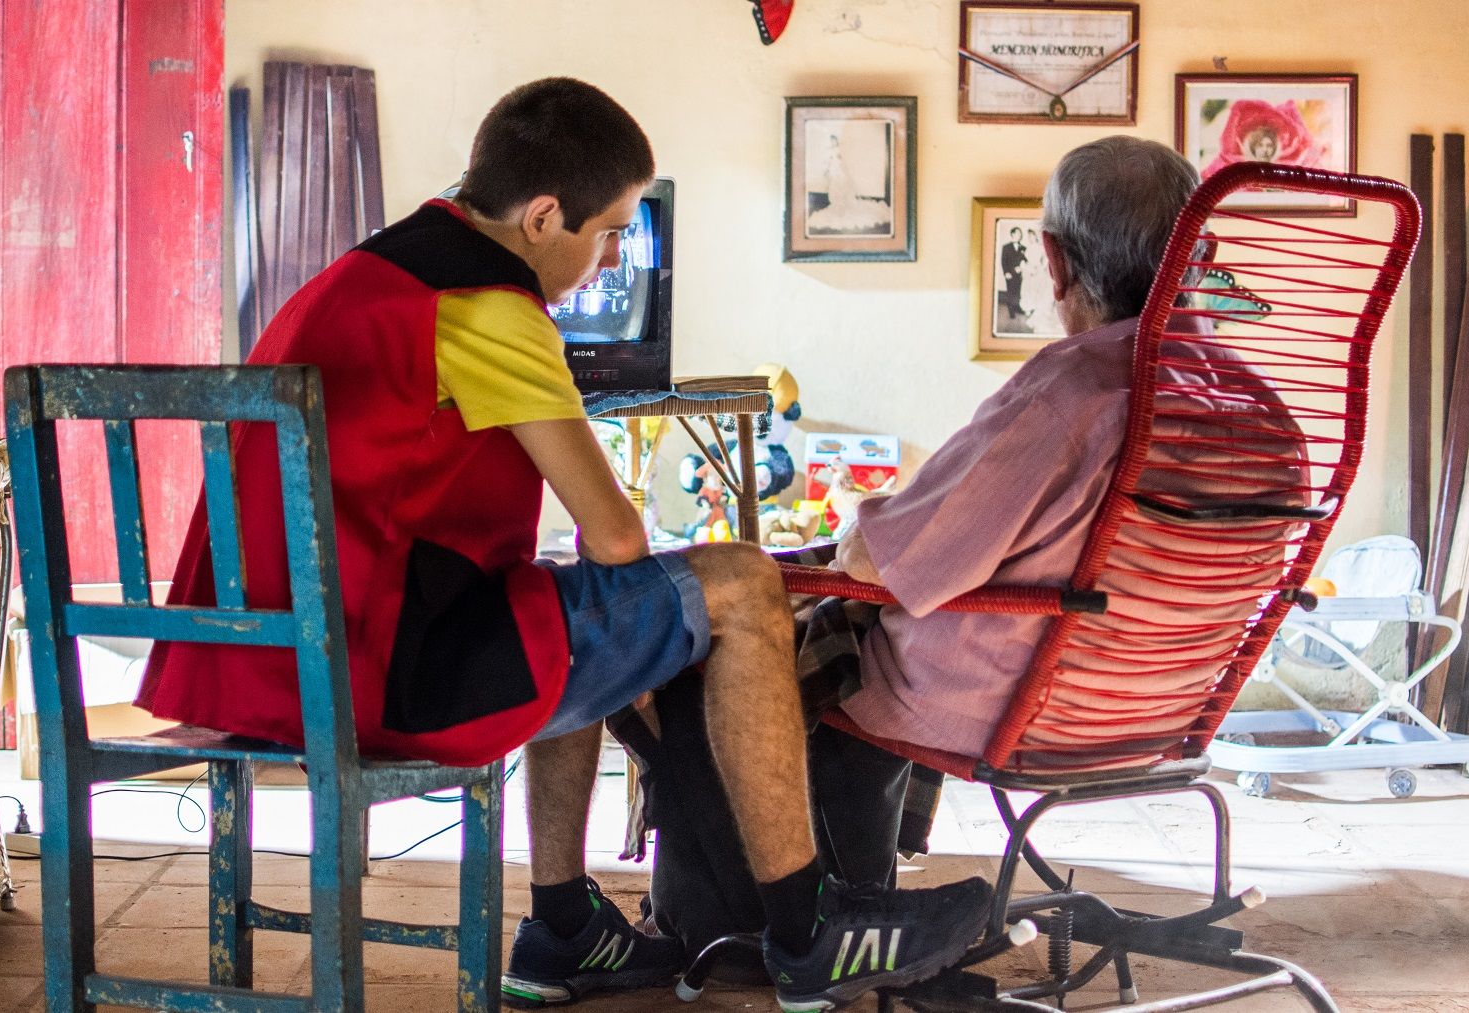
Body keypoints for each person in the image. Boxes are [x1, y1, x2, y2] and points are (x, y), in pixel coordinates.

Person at [135, 77, 992, 1010]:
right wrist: (666, 613)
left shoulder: (362, 274)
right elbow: (617, 535)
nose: (614, 255)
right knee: (743, 580)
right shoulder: (489, 306)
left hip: (263, 663)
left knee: (551, 589)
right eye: (611, 231)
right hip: (380, 680)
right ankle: (809, 929)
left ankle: (564, 930)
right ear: (543, 216)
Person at [831, 135, 1298, 767]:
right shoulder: (1268, 412)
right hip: (1161, 718)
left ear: (1053, 260)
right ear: (1201, 253)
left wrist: (855, 527)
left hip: (1007, 716)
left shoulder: (1072, 394)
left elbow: (883, 563)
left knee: (785, 629)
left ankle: (810, 838)